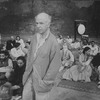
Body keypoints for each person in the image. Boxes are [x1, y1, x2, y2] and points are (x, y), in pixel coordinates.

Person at [22, 12, 61, 100]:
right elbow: (29, 56)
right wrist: (27, 70)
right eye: (37, 23)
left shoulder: (53, 42)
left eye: (41, 23)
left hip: (42, 79)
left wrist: (45, 82)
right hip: (30, 75)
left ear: (48, 24)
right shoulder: (34, 37)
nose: (38, 26)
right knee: (26, 96)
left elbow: (55, 66)